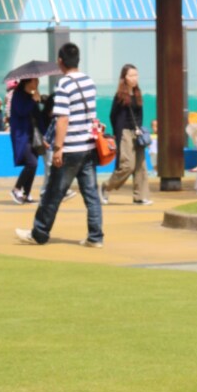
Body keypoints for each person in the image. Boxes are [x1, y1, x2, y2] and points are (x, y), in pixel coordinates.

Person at [15, 42, 104, 247]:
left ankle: (39, 233)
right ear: (78, 60)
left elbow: (62, 119)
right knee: (91, 195)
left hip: (70, 149)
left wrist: (58, 148)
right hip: (88, 147)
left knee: (53, 193)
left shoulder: (64, 85)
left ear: (60, 61)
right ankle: (95, 237)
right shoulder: (89, 82)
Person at [102, 64, 152, 205]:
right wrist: (118, 134)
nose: (134, 78)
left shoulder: (138, 93)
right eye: (131, 75)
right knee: (128, 166)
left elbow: (139, 115)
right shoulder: (120, 96)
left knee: (141, 166)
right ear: (124, 78)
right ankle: (105, 187)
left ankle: (140, 197)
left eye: (136, 75)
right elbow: (113, 116)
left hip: (137, 133)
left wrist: (139, 130)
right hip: (124, 133)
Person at [8, 76, 45, 204]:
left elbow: (38, 117)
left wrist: (44, 134)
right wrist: (33, 100)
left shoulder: (31, 96)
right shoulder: (18, 95)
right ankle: (16, 189)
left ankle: (26, 193)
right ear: (27, 82)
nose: (37, 82)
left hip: (33, 135)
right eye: (35, 80)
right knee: (31, 163)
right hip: (21, 135)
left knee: (34, 164)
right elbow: (22, 111)